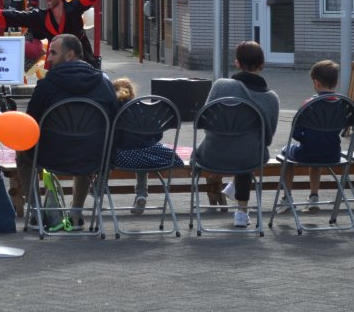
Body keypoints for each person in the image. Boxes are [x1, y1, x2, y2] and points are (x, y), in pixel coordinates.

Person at [16, 33, 117, 227]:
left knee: (22, 152)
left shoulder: (46, 85)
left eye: (53, 53)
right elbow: (114, 119)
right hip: (92, 155)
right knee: (86, 146)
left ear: (70, 55)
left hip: (51, 156)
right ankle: (76, 213)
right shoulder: (104, 84)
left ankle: (36, 211)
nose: (49, 58)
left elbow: (30, 123)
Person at [196, 41, 280, 229]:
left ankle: (234, 196)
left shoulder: (220, 86)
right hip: (249, 156)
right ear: (262, 65)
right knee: (247, 148)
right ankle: (241, 212)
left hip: (212, 153)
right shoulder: (271, 98)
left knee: (238, 145)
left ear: (237, 63)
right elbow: (268, 138)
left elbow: (204, 122)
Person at [110, 77, 184, 216]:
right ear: (132, 94)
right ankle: (142, 194)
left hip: (120, 157)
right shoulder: (142, 109)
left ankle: (97, 187)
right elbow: (157, 135)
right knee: (143, 151)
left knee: (106, 153)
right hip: (147, 155)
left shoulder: (113, 110)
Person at [279, 60, 342, 214]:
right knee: (317, 155)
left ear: (316, 82)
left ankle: (287, 198)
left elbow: (296, 134)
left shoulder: (308, 104)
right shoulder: (343, 104)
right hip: (333, 153)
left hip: (307, 152)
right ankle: (314, 196)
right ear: (336, 82)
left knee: (285, 153)